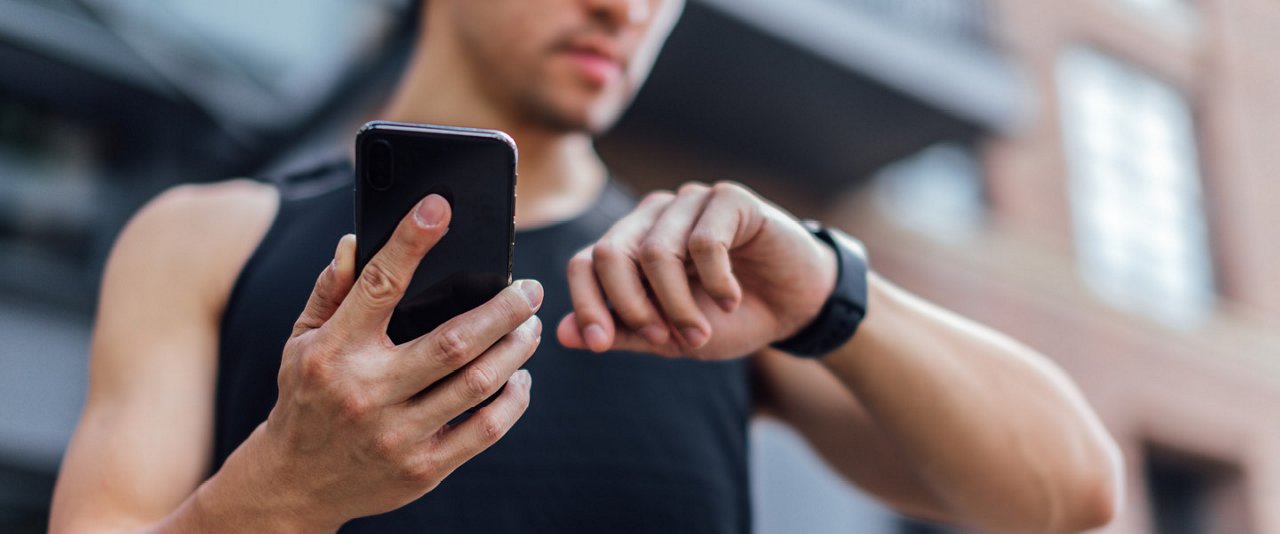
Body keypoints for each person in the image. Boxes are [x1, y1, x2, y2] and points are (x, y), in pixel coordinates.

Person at [49, 1, 1123, 532]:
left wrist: (831, 293)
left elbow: (1068, 495)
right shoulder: (204, 237)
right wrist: (280, 491)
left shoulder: (713, 287)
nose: (628, 8)